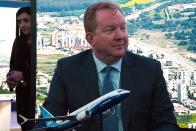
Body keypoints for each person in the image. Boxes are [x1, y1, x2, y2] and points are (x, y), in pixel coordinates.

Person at [42, 2, 179, 131]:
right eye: (110, 30)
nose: (120, 36)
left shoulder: (149, 69)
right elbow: (48, 121)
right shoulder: (68, 69)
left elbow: (166, 124)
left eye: (123, 28)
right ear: (91, 39)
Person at [6, 6, 35, 130]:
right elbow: (12, 66)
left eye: (26, 20)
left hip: (36, 99)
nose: (22, 25)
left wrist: (23, 75)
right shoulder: (18, 42)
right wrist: (10, 79)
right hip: (23, 98)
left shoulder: (40, 42)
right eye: (19, 21)